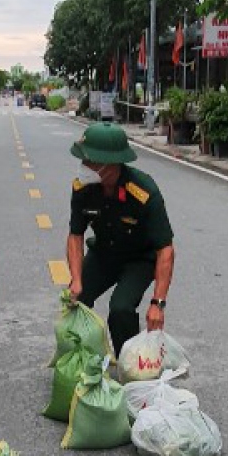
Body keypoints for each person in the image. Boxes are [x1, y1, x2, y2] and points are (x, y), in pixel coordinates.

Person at [67, 122, 175, 356]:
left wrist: (158, 303)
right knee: (76, 298)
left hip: (139, 260)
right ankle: (83, 360)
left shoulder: (144, 192)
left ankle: (130, 367)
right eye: (83, 161)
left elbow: (165, 249)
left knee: (121, 309)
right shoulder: (83, 187)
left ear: (110, 165)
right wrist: (76, 279)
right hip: (103, 254)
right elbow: (76, 235)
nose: (83, 167)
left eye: (90, 162)